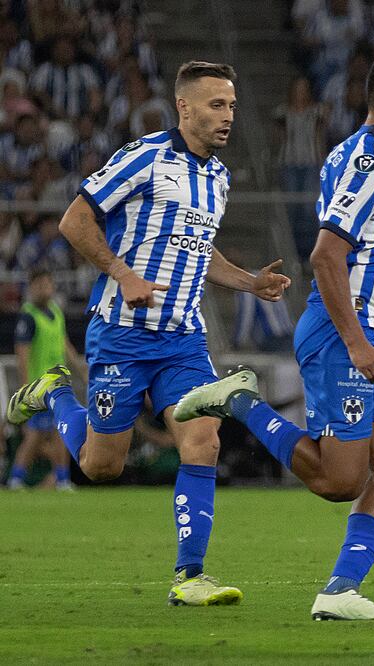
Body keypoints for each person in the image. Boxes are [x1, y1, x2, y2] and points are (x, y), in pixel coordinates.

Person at [174, 49, 374, 621]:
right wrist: (357, 342)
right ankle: (239, 400)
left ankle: (339, 592)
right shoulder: (368, 162)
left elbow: (373, 261)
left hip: (370, 335)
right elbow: (327, 255)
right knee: (340, 480)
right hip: (345, 335)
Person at [5, 61, 292, 606]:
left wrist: (250, 282)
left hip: (183, 338)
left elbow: (200, 251)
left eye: (232, 106)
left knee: (203, 441)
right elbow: (74, 221)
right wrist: (123, 273)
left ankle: (190, 575)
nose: (228, 116)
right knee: (100, 465)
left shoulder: (219, 178)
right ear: (183, 107)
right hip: (121, 334)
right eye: (216, 105)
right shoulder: (145, 158)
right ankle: (56, 392)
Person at [7, 269, 84, 490]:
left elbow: (65, 345)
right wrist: (25, 388)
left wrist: (81, 371)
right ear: (31, 288)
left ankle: (62, 479)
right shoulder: (28, 315)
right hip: (38, 386)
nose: (45, 288)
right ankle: (16, 477)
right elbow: (22, 352)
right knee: (35, 435)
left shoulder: (56, 312)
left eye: (47, 284)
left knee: (61, 431)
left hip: (59, 384)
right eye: (40, 284)